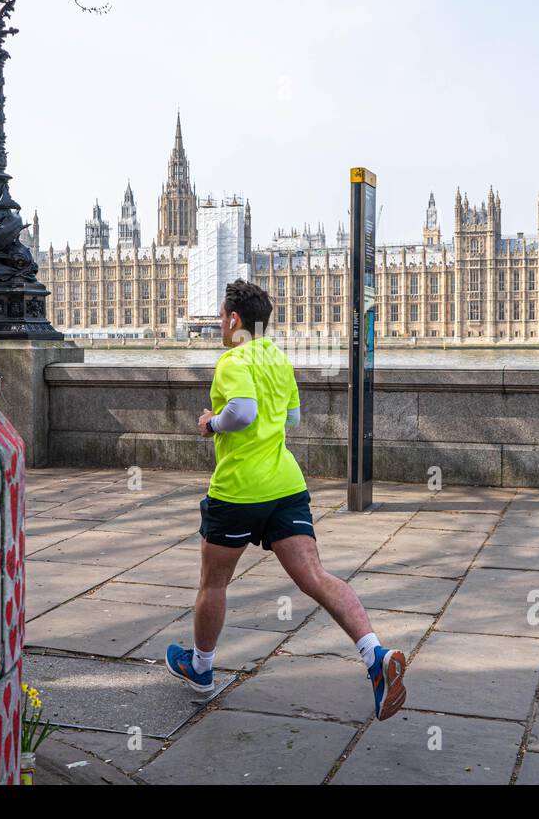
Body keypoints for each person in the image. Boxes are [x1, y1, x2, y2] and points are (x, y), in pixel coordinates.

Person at [165, 279, 407, 721]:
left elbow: (242, 412)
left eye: (221, 317)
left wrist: (210, 423)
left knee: (213, 583)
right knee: (315, 576)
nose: (220, 324)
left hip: (239, 490)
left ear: (234, 320)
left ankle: (200, 668)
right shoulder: (278, 358)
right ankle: (375, 655)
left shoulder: (232, 359)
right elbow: (291, 417)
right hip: (286, 484)